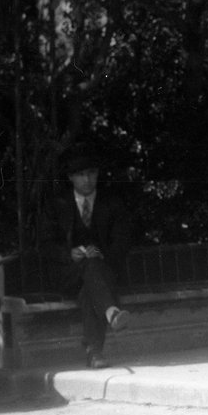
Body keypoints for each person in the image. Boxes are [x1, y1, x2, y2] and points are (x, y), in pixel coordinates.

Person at [39, 143, 133, 369]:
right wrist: (69, 253)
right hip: (68, 273)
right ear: (71, 177)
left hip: (105, 270)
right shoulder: (56, 205)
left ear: (97, 174)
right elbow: (45, 244)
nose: (87, 179)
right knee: (89, 272)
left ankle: (95, 353)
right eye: (81, 174)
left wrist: (102, 254)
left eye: (91, 173)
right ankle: (110, 311)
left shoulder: (112, 203)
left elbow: (122, 242)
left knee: (89, 289)